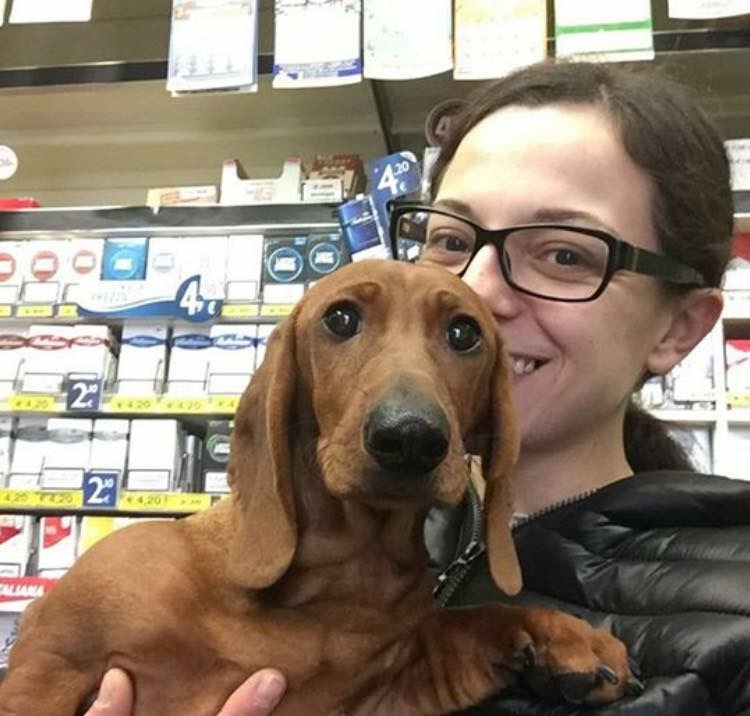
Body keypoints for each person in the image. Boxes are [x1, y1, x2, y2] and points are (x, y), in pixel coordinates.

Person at [87, 60, 750, 715]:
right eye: (451, 239)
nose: (478, 289)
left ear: (679, 327)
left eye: (564, 254)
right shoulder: (342, 537)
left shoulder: (731, 628)